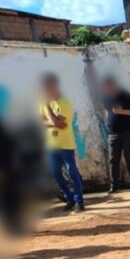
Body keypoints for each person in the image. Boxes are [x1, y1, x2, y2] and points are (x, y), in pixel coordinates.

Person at [38, 72, 85, 212]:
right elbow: (42, 122)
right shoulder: (43, 102)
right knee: (55, 173)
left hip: (66, 144)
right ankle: (69, 198)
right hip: (51, 144)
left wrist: (48, 108)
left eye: (47, 87)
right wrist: (54, 123)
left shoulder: (65, 102)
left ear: (54, 86)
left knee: (72, 172)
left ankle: (79, 201)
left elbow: (56, 122)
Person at [101, 75, 130, 193]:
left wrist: (121, 111)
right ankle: (114, 186)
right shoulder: (105, 97)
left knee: (129, 158)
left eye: (110, 85)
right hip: (112, 133)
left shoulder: (124, 95)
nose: (108, 88)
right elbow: (106, 112)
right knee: (113, 160)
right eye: (106, 87)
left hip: (127, 132)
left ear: (115, 84)